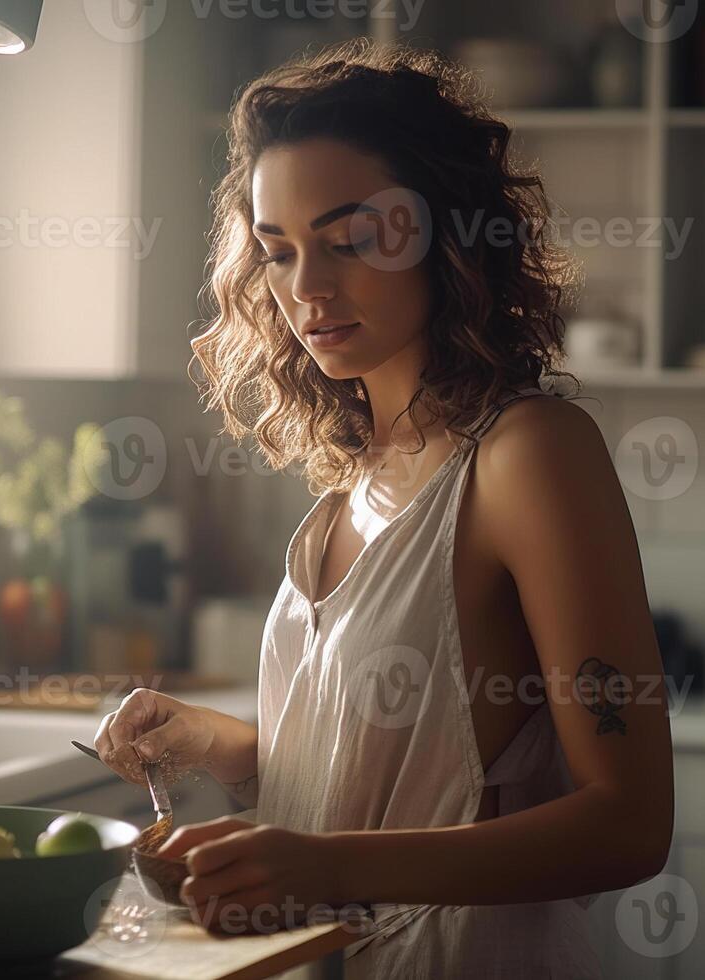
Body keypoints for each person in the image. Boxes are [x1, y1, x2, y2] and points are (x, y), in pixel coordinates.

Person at [94, 38, 673, 978]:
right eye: (278, 252)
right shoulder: (355, 469)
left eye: (349, 241)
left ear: (442, 234)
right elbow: (377, 765)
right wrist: (217, 743)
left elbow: (631, 824)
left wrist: (320, 866)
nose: (306, 291)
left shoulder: (529, 454)